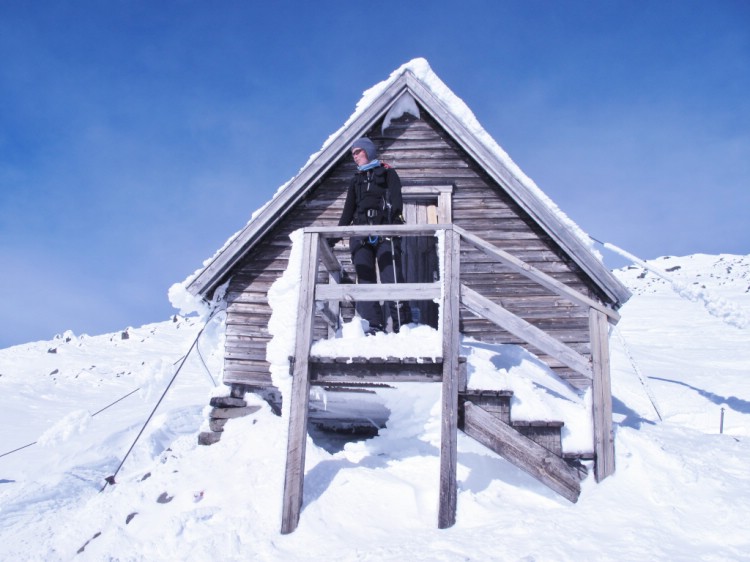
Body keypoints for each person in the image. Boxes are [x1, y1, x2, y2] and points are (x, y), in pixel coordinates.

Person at [335, 137, 413, 335]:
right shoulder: (356, 180)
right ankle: (373, 326)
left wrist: (394, 226)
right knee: (365, 279)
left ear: (368, 151)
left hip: (385, 232)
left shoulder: (387, 173)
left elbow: (396, 200)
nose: (354, 157)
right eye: (352, 153)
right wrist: (335, 236)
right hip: (360, 235)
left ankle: (402, 326)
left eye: (358, 152)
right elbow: (347, 211)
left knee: (392, 276)